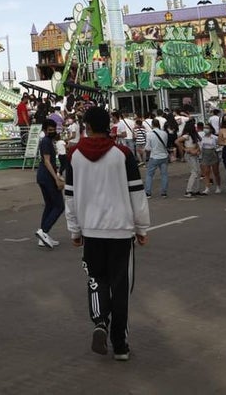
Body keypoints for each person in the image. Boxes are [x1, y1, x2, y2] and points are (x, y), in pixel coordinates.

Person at [64, 105, 150, 362]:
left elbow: (70, 195)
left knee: (96, 280)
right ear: (108, 126)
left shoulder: (74, 156)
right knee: (120, 287)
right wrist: (142, 227)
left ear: (87, 127)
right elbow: (137, 193)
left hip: (91, 231)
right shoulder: (122, 154)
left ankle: (100, 322)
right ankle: (120, 344)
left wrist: (74, 230)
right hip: (121, 231)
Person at [35, 119, 64, 249]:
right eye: (50, 130)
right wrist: (56, 178)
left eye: (54, 129)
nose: (52, 132)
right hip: (47, 176)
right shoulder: (46, 142)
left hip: (43, 176)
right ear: (45, 130)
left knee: (50, 205)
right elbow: (47, 161)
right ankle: (44, 231)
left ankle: (43, 236)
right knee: (59, 205)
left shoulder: (47, 141)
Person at [143, 119, 171, 198]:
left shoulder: (149, 134)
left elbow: (148, 148)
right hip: (164, 156)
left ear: (152, 125)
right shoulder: (164, 133)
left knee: (149, 175)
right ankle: (164, 192)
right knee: (164, 174)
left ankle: (148, 192)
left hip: (154, 156)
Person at [176, 121, 204, 197]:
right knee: (194, 172)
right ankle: (189, 190)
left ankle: (196, 189)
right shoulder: (187, 135)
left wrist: (197, 150)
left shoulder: (193, 135)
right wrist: (185, 149)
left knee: (198, 172)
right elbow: (177, 141)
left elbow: (197, 144)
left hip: (194, 153)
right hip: (189, 154)